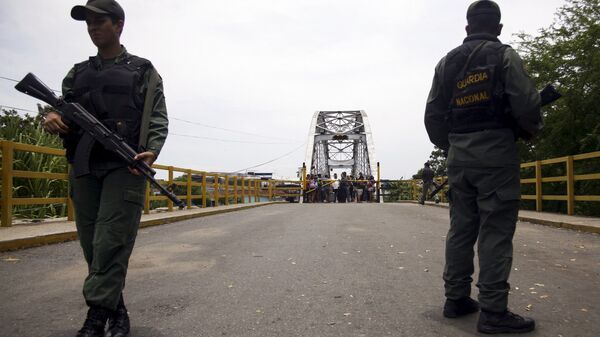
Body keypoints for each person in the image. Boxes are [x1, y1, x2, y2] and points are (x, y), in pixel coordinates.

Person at [42, 1, 169, 336]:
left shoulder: (143, 70)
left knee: (110, 240)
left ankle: (96, 318)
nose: (93, 28)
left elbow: (157, 117)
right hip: (83, 167)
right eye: (89, 23)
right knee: (92, 244)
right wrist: (51, 116)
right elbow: (61, 109)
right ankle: (118, 310)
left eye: (100, 22)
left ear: (119, 25)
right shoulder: (77, 72)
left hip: (123, 168)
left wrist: (151, 152)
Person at [424, 0, 542, 334]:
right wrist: (529, 130)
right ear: (498, 28)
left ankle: (456, 298)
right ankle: (492, 310)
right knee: (496, 229)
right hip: (496, 155)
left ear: (467, 28)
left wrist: (453, 144)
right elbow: (527, 105)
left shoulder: (446, 63)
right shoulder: (505, 56)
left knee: (461, 228)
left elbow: (432, 117)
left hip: (459, 157)